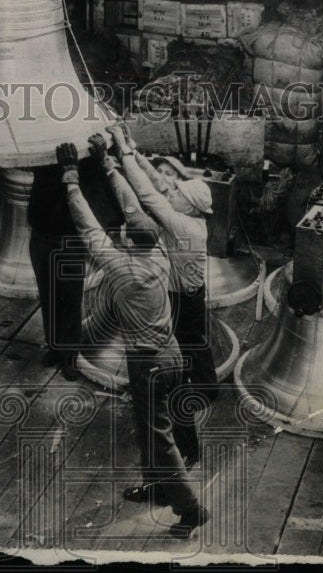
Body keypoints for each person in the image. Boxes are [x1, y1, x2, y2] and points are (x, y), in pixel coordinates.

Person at [57, 140, 209, 539]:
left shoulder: (123, 272)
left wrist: (71, 179)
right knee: (150, 431)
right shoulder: (159, 251)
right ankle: (158, 488)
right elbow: (133, 208)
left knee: (160, 439)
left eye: (124, 233)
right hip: (170, 353)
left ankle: (191, 509)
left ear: (127, 241)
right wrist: (108, 163)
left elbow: (88, 228)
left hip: (150, 366)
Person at [106, 125, 217, 467]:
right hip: (192, 296)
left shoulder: (181, 225)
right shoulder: (191, 216)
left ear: (189, 206)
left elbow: (150, 194)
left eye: (180, 193)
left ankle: (187, 441)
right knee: (196, 344)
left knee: (181, 363)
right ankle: (208, 389)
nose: (174, 192)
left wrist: (116, 162)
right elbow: (162, 184)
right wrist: (134, 150)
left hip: (180, 301)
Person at [27, 151, 123, 381]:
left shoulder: (84, 152)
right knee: (48, 294)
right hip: (41, 233)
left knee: (69, 297)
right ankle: (55, 345)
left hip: (69, 237)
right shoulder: (41, 144)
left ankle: (70, 353)